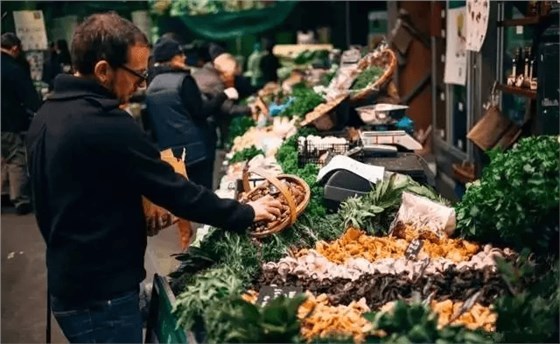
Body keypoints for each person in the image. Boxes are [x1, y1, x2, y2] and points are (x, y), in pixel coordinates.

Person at [25, 13, 282, 343]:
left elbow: (71, 197)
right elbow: (175, 191)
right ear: (103, 71)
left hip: (71, 285)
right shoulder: (105, 124)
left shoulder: (47, 115)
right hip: (102, 297)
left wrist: (128, 214)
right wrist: (245, 213)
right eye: (137, 75)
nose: (140, 85)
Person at [145, 37, 237, 189]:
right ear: (173, 58)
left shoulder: (151, 86)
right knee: (203, 194)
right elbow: (201, 111)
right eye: (181, 54)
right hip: (196, 152)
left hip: (170, 154)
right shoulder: (183, 81)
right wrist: (224, 95)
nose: (185, 57)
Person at [1, 32, 40, 215]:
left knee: (2, 158)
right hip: (8, 120)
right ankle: (20, 200)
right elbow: (28, 95)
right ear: (15, 48)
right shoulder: (12, 69)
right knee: (16, 158)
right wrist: (40, 109)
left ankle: (3, 192)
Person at [192, 43, 254, 148]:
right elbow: (228, 109)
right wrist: (250, 109)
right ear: (225, 73)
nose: (232, 80)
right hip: (203, 125)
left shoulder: (205, 71)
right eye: (232, 76)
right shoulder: (215, 81)